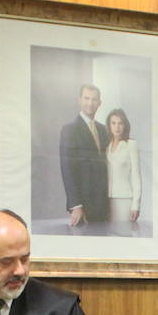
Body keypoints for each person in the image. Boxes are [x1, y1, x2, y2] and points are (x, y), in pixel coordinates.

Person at [59, 84, 110, 230]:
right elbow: (67, 169)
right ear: (79, 100)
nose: (90, 103)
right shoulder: (69, 129)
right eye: (86, 98)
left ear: (99, 103)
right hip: (83, 205)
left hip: (103, 203)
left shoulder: (103, 129)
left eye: (94, 99)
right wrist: (76, 205)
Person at [104, 107, 142, 233]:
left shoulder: (131, 144)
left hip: (124, 200)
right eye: (113, 123)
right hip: (106, 200)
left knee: (123, 235)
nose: (117, 127)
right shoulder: (107, 145)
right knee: (109, 237)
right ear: (109, 126)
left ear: (125, 125)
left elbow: (136, 177)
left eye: (120, 123)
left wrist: (135, 205)